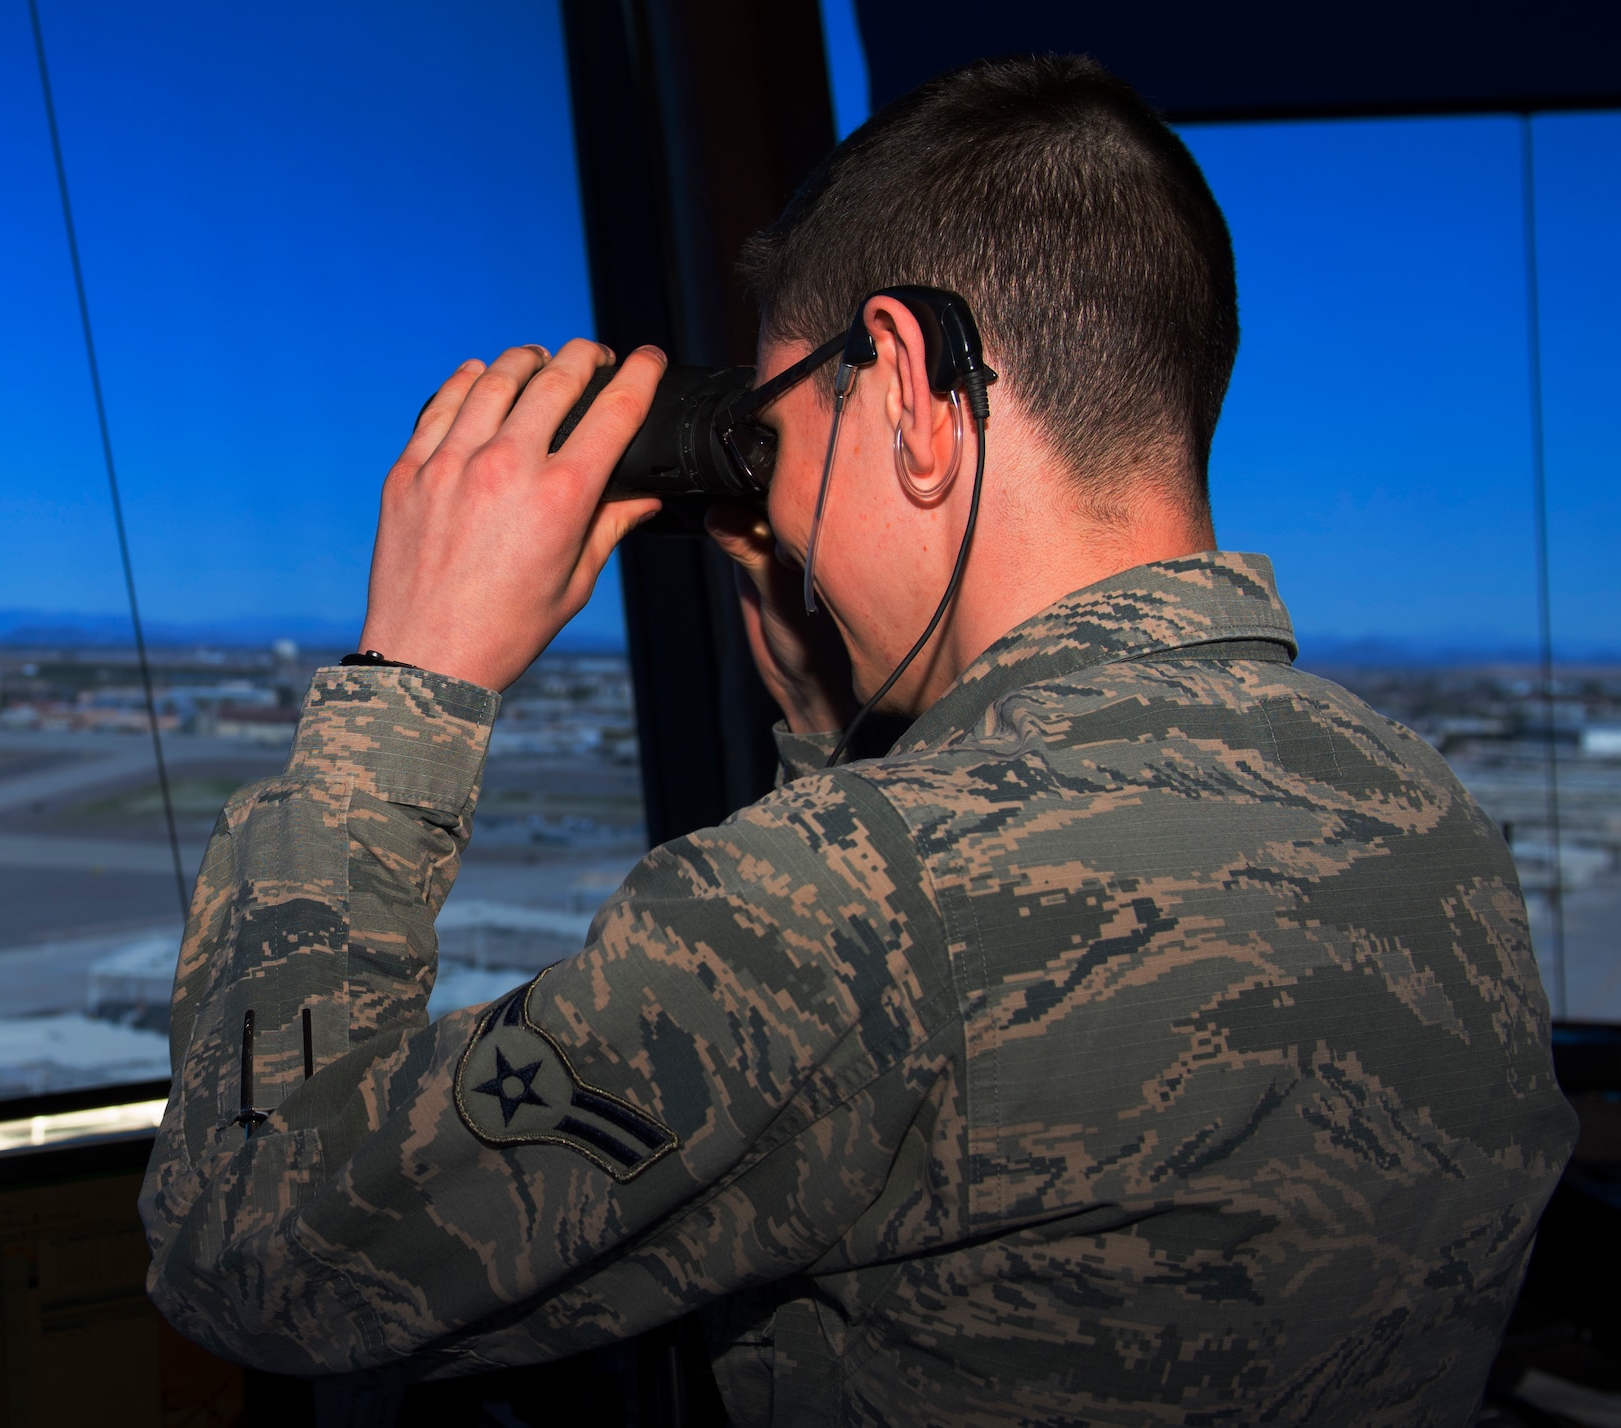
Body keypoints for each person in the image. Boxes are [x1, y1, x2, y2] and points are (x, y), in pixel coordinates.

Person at [140, 54, 1575, 1425]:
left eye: (778, 435)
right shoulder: (1430, 824)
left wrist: (410, 677)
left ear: (911, 391)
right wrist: (842, 734)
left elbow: (255, 1246)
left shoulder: (860, 904)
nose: (782, 519)